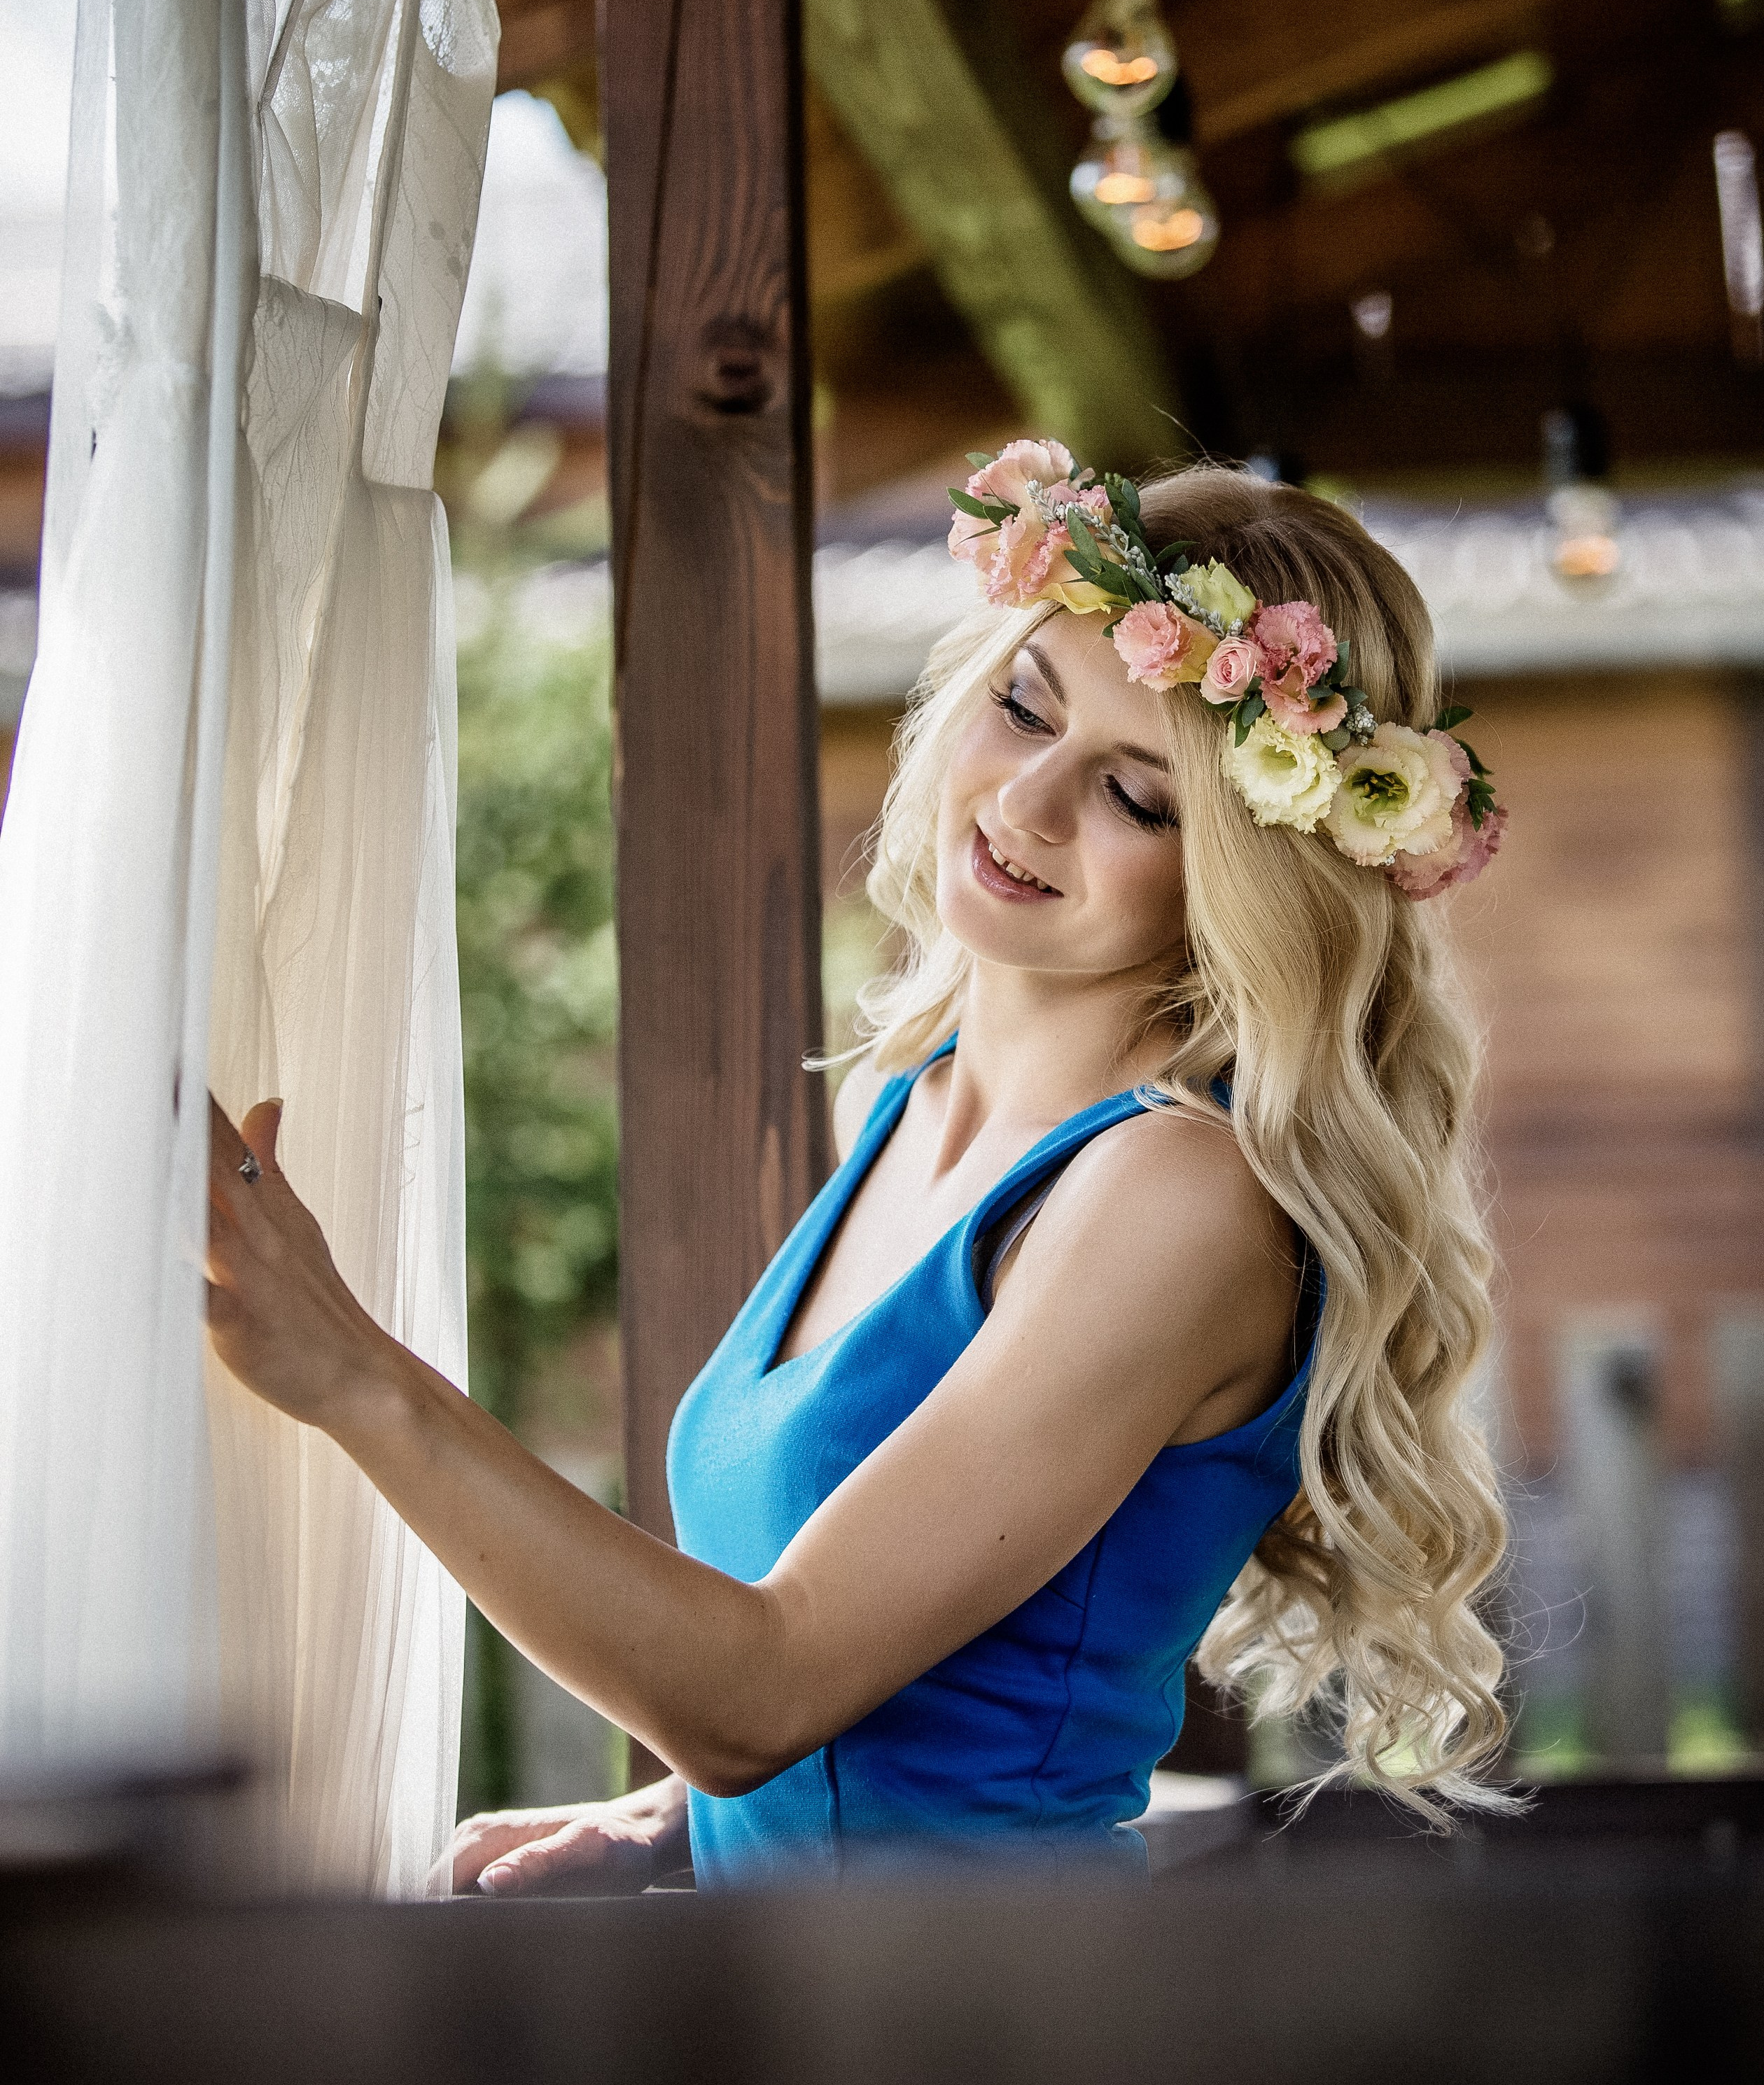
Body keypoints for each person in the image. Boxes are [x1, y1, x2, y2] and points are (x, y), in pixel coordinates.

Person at [207, 451, 1512, 1893]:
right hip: (817, 2000)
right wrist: (679, 1825)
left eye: (1138, 798)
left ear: (1249, 873)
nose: (1024, 805)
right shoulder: (909, 1100)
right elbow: (884, 1692)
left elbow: (762, 1692)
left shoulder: (1176, 1199)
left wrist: (353, 1376)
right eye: (1025, 707)